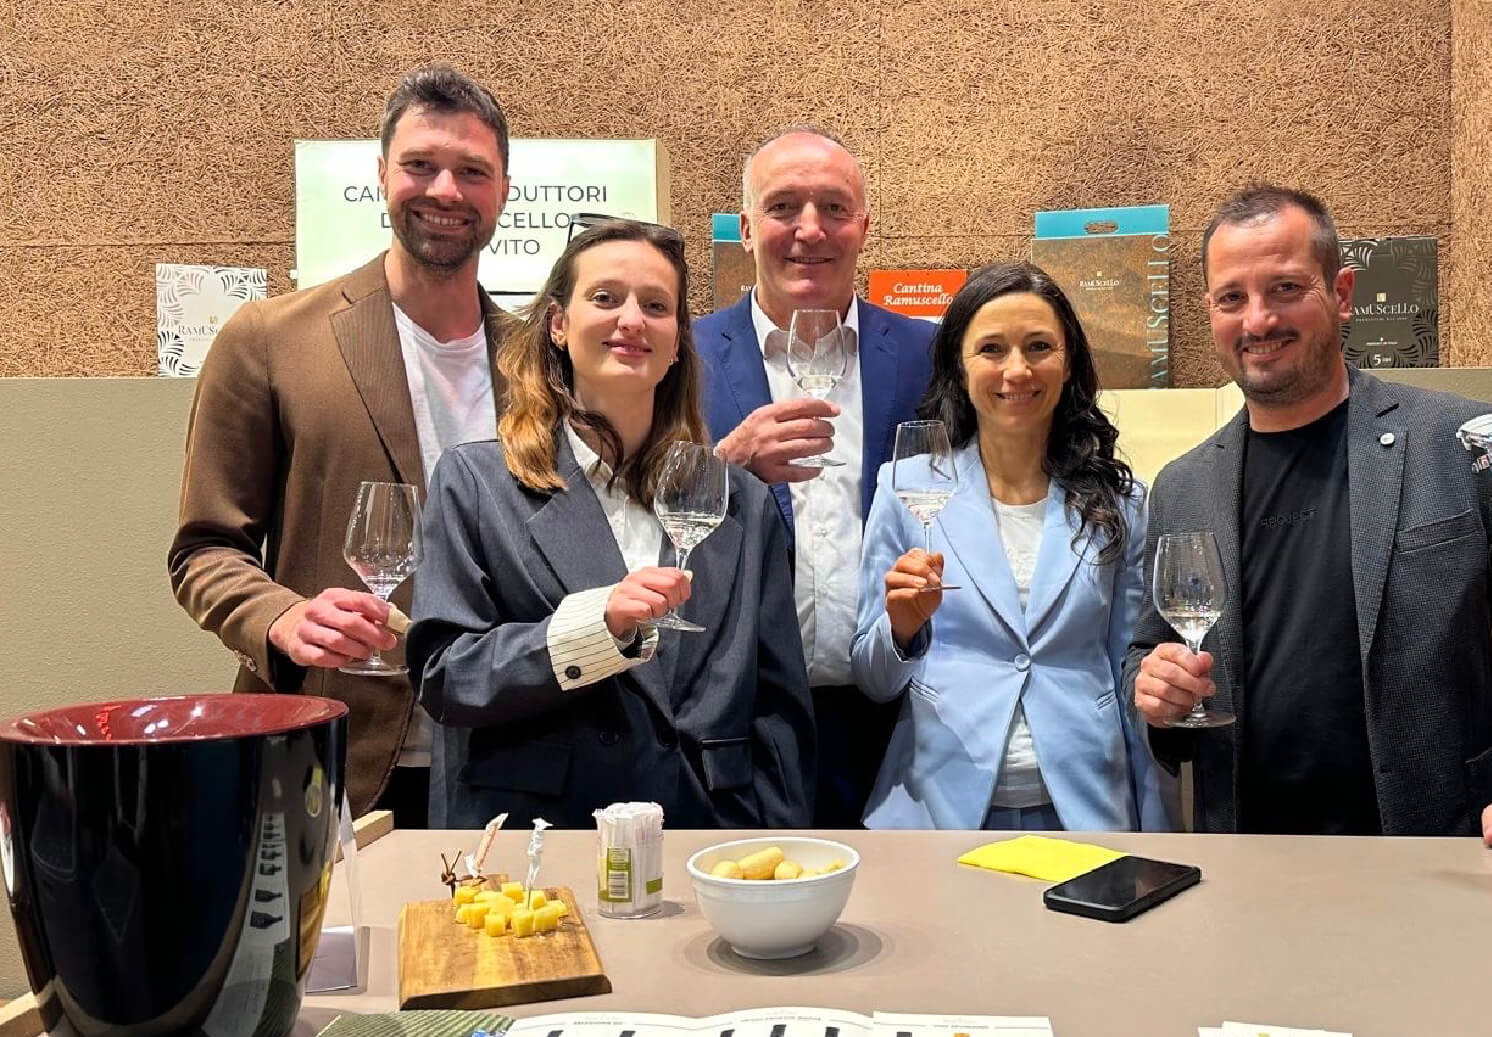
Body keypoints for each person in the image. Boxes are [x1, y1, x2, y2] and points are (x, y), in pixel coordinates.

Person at [1126, 185, 1492, 838]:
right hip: (1249, 854)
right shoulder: (1182, 486)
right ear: (1210, 311)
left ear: (1342, 293)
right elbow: (1151, 648)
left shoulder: (1465, 440)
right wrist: (1155, 689)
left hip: (1442, 843)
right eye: (1232, 298)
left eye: (1286, 288)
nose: (1259, 320)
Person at [170, 64, 516, 823]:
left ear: (503, 191)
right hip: (329, 757)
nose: (446, 191)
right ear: (382, 174)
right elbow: (204, 551)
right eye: (420, 165)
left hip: (505, 762)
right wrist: (280, 618)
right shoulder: (270, 339)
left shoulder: (538, 363)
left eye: (472, 171)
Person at [408, 219, 814, 829]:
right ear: (558, 324)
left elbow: (780, 712)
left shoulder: (743, 503)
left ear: (677, 341)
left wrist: (778, 847)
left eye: (656, 306)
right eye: (605, 298)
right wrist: (592, 629)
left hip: (707, 839)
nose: (631, 320)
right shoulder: (475, 484)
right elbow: (446, 676)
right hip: (544, 841)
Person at [851, 262, 1174, 830]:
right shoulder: (906, 487)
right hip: (938, 813)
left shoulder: (1120, 503)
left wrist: (1156, 823)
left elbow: (1132, 672)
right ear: (960, 365)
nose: (1017, 370)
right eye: (992, 349)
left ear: (1068, 362)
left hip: (1084, 809)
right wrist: (901, 630)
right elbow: (873, 680)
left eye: (1039, 346)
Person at [695, 127, 937, 826]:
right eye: (784, 207)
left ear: (864, 226)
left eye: (834, 208)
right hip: (741, 723)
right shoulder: (684, 357)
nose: (810, 229)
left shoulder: (926, 353)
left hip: (896, 720)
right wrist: (725, 467)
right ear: (746, 228)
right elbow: (633, 517)